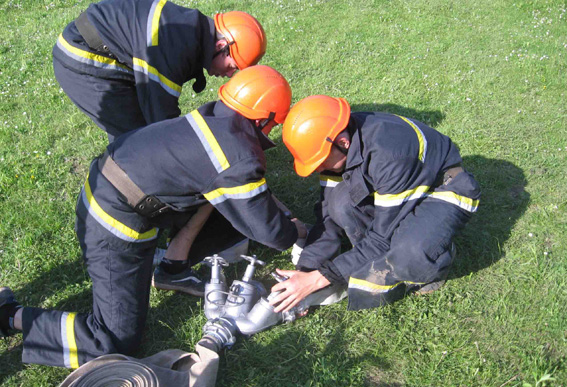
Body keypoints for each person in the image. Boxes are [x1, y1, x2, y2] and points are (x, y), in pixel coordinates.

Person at [0, 65, 306, 368]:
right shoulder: (235, 154)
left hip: (116, 185)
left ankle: (172, 268)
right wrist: (298, 231)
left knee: (230, 216)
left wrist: (280, 212)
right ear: (265, 118)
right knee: (113, 340)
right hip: (112, 221)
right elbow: (272, 233)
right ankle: (9, 315)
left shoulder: (217, 119)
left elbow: (250, 192)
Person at [270, 95, 481, 312]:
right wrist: (306, 270)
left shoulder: (390, 156)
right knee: (338, 205)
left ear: (342, 143)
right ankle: (365, 256)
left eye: (320, 161)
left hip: (443, 189)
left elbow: (381, 240)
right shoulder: (340, 144)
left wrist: (318, 280)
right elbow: (327, 217)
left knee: (408, 252)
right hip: (401, 184)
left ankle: (437, 257)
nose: (317, 169)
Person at [53, 0, 267, 141]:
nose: (230, 75)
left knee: (137, 133)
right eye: (233, 67)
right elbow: (162, 122)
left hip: (104, 49)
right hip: (82, 56)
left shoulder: (192, 29)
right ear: (221, 47)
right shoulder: (177, 49)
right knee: (139, 141)